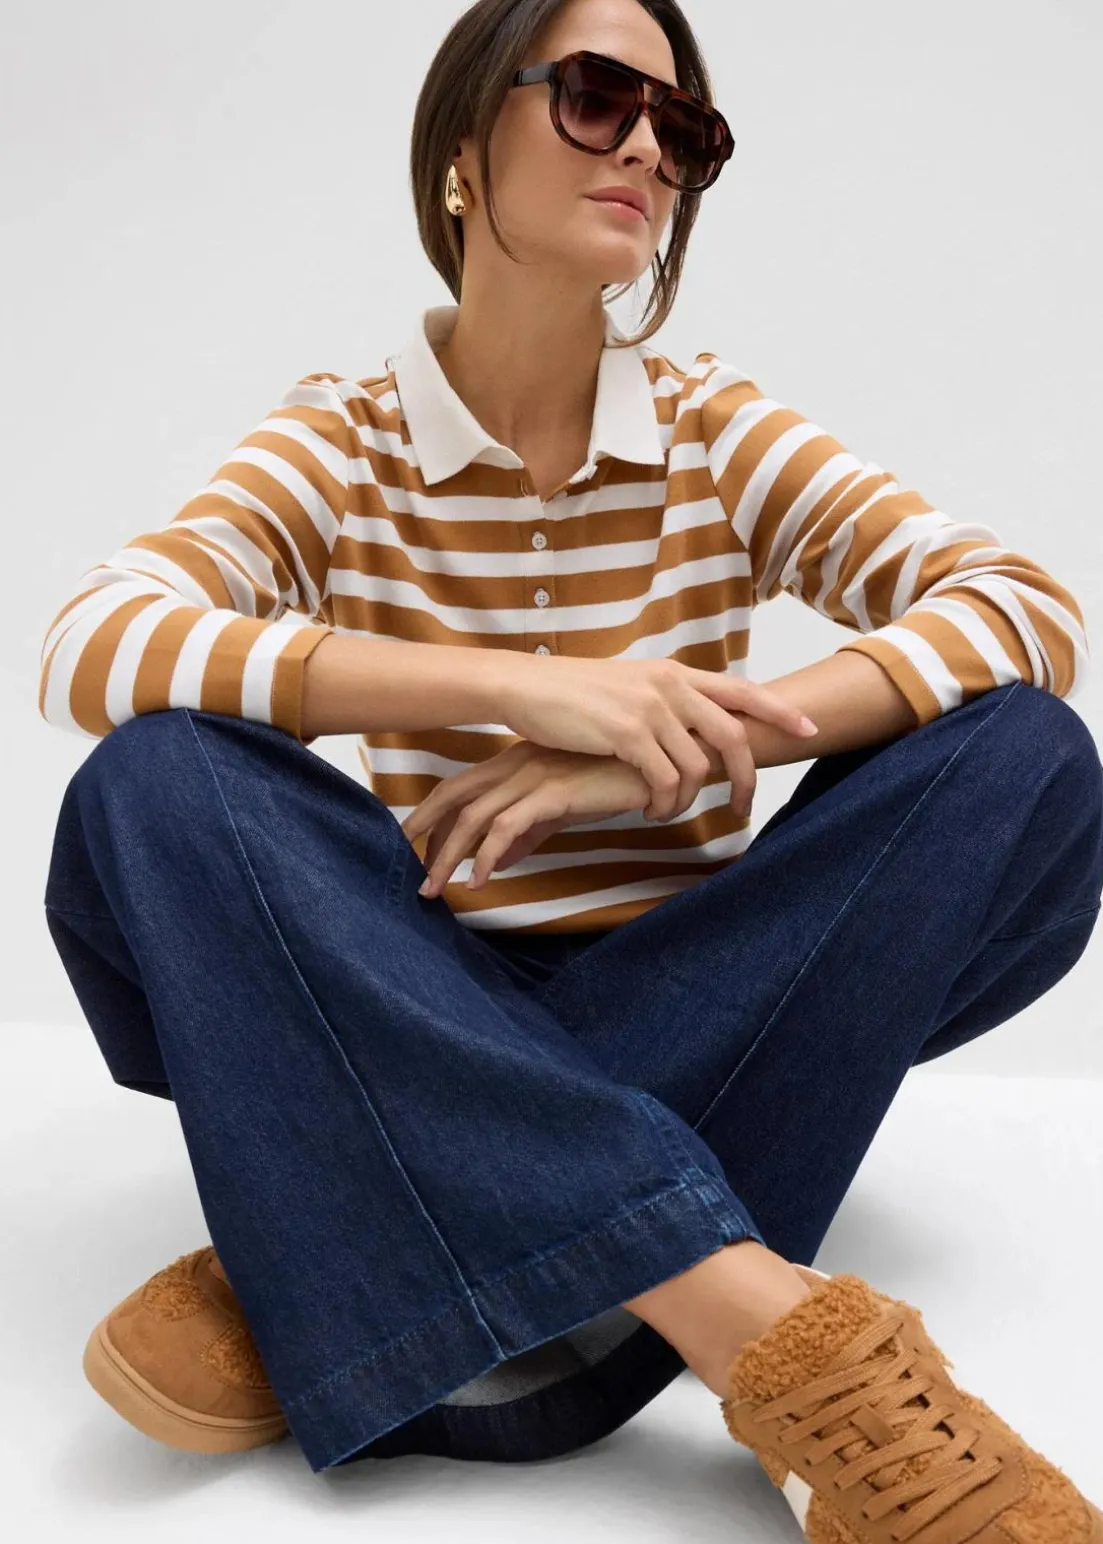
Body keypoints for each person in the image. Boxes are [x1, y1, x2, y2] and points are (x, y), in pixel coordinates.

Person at [39, 0, 1103, 1532]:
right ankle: (768, 1338)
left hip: (703, 978)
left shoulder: (710, 427)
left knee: (1025, 759)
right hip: (412, 971)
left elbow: (1018, 607)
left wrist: (695, 741)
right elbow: (93, 640)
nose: (650, 151)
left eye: (686, 129)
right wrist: (529, 689)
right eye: (601, 97)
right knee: (153, 782)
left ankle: (344, 1219)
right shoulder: (342, 441)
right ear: (462, 149)